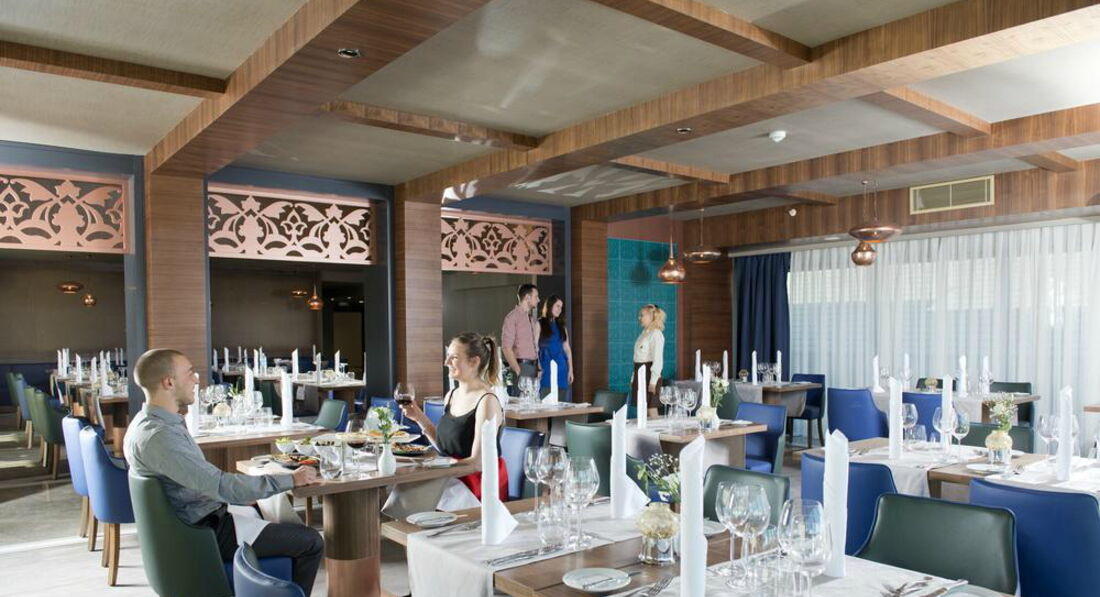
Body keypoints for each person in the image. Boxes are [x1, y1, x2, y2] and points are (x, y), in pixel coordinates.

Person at [123, 349, 324, 595]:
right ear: (169, 382)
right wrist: (291, 479)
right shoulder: (160, 437)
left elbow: (204, 485)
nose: (196, 380)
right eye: (189, 373)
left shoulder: (149, 424)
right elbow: (220, 485)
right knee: (311, 541)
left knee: (266, 509)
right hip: (205, 533)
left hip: (195, 521)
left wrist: (241, 496)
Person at [400, 333, 508, 499]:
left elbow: (477, 463)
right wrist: (419, 417)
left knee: (409, 496)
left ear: (474, 362)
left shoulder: (487, 401)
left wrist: (435, 469)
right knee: (400, 493)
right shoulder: (451, 395)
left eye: (454, 357)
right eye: (447, 356)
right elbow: (445, 448)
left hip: (478, 483)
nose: (446, 362)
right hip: (453, 476)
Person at [501, 283, 540, 396]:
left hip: (533, 368)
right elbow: (506, 347)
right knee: (521, 403)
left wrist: (538, 368)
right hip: (521, 367)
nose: (538, 300)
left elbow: (534, 346)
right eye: (536, 296)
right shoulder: (512, 318)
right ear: (527, 298)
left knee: (533, 403)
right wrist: (518, 370)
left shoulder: (531, 319)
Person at [538, 295, 574, 402]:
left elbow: (567, 349)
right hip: (545, 367)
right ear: (550, 305)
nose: (560, 309)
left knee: (561, 402)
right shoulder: (539, 323)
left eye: (561, 307)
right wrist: (538, 367)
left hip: (562, 368)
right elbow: (535, 347)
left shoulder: (562, 326)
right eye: (557, 306)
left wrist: (571, 370)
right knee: (545, 401)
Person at [632, 304, 666, 415]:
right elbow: (638, 357)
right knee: (642, 408)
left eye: (642, 315)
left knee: (651, 408)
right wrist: (634, 377)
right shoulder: (644, 334)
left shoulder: (656, 334)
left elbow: (658, 360)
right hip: (639, 372)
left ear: (651, 317)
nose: (639, 318)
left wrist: (653, 381)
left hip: (649, 374)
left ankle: (657, 428)